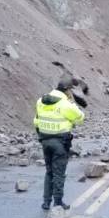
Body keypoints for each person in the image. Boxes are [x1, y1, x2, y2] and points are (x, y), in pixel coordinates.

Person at [33, 75, 85, 210]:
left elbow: (36, 121)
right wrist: (72, 103)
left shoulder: (41, 101)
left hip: (45, 140)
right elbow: (80, 118)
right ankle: (58, 201)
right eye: (70, 91)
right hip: (60, 142)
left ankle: (46, 202)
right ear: (67, 90)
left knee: (49, 171)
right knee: (59, 173)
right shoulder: (66, 104)